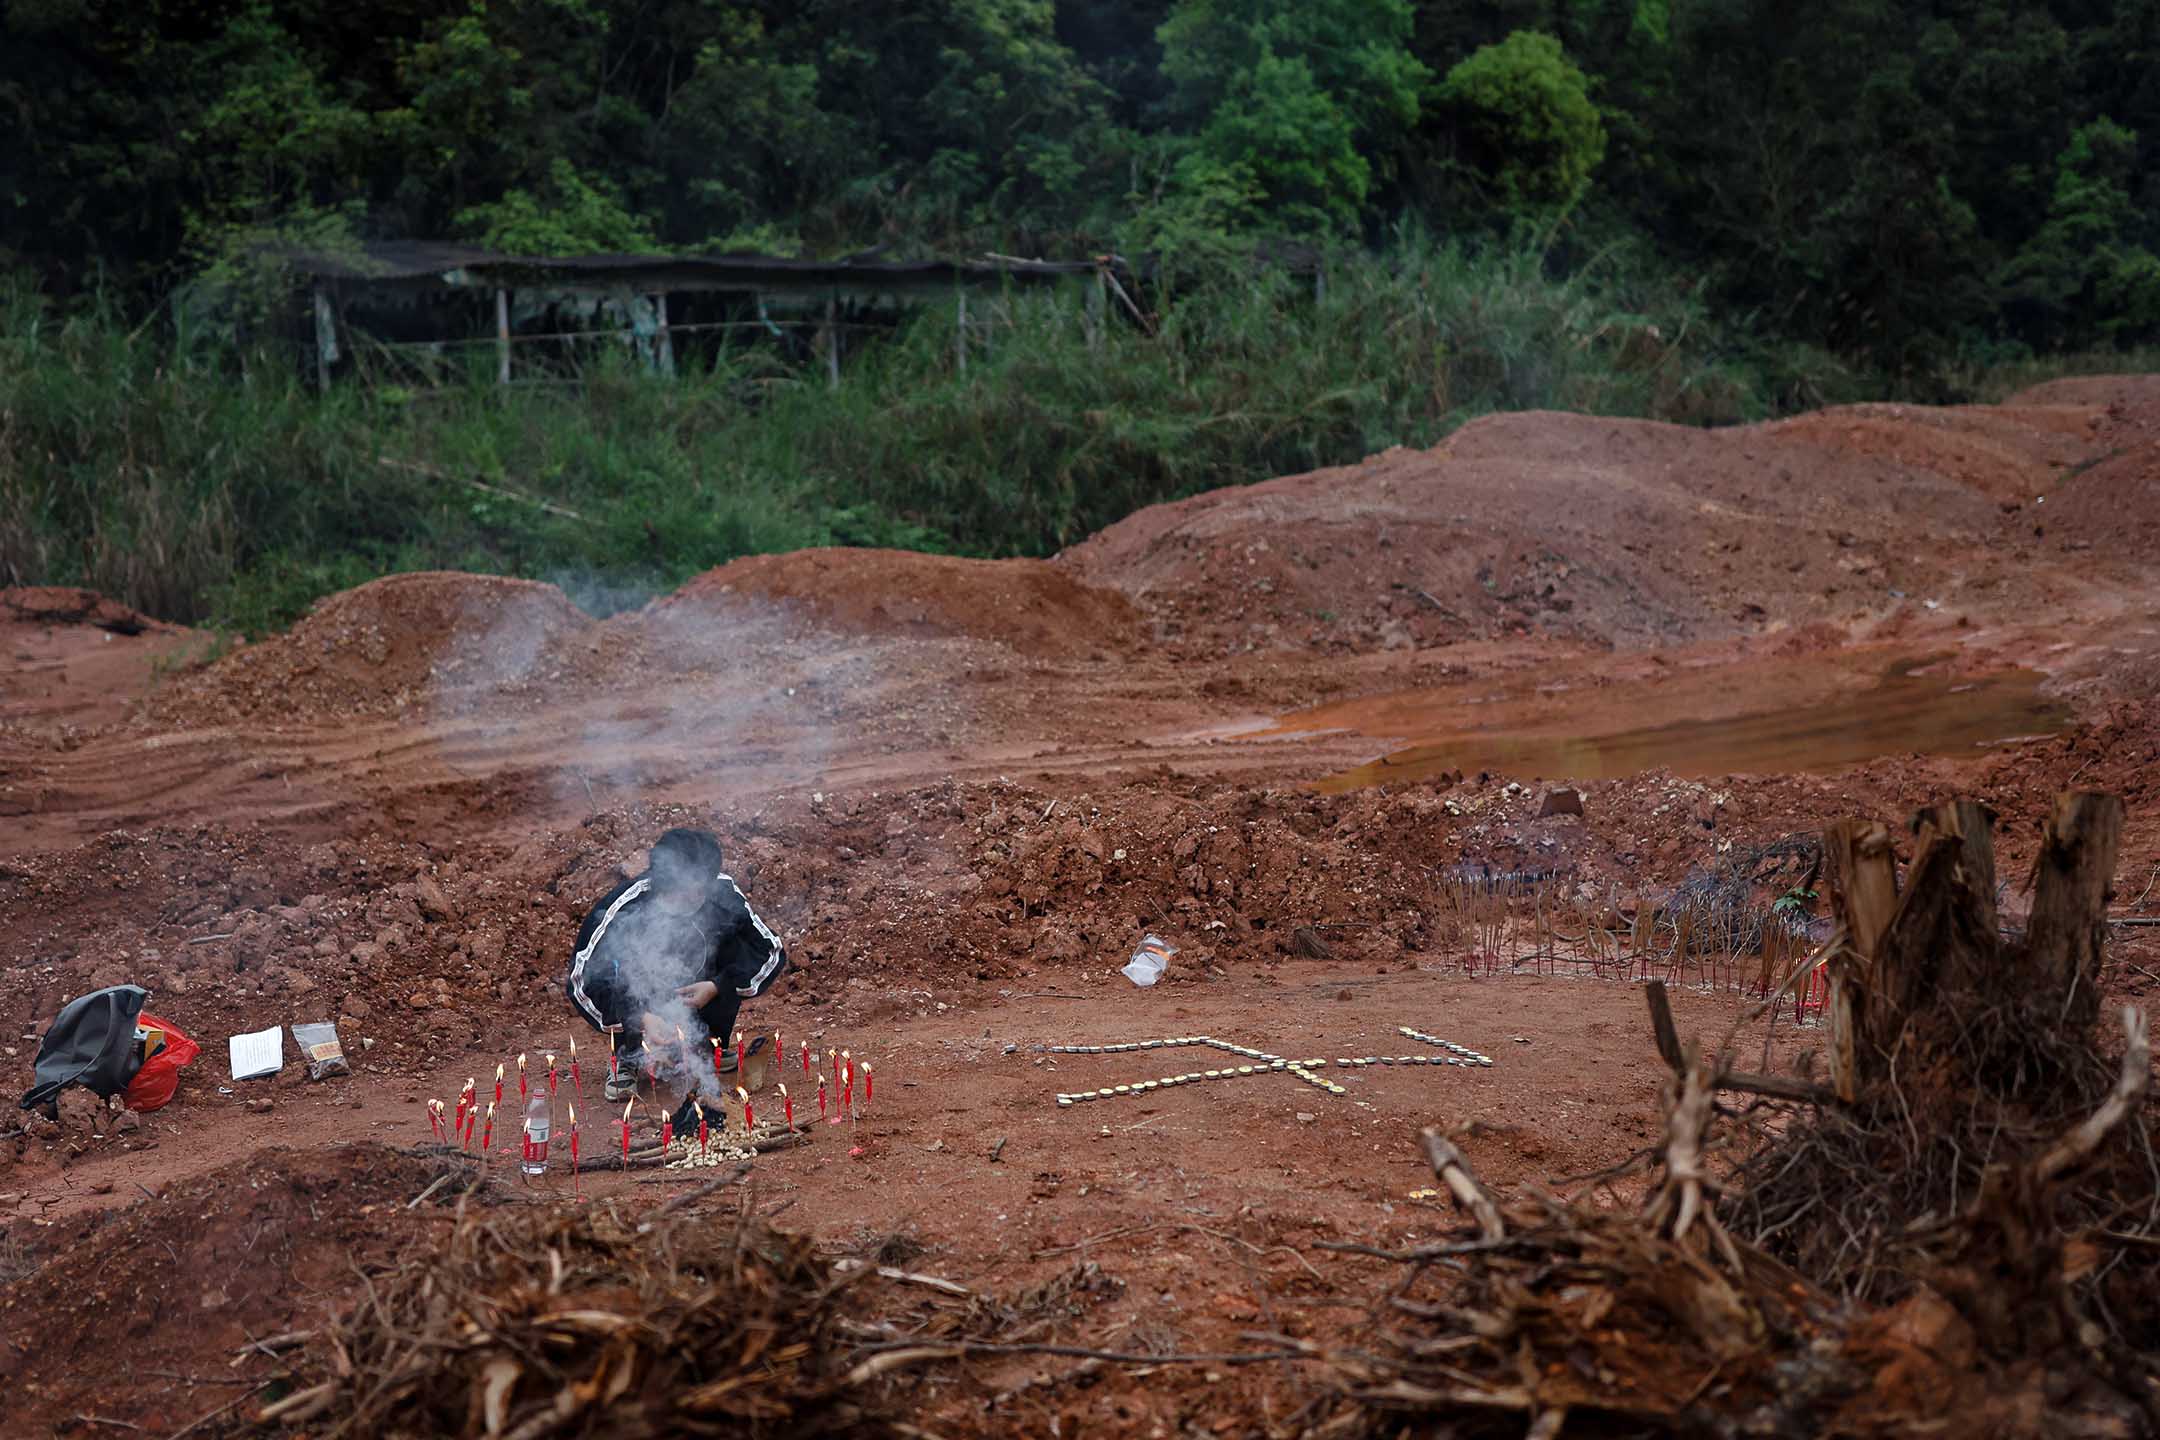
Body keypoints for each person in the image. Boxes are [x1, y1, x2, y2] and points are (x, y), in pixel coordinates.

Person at [565, 827, 790, 1104]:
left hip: (699, 1001)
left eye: (701, 892)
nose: (695, 900)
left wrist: (717, 986)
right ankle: (629, 1058)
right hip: (640, 1015)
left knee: (734, 943)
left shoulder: (722, 893)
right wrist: (639, 1018)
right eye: (685, 893)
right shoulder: (624, 906)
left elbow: (770, 951)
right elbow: (580, 982)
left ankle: (706, 1047)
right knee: (615, 962)